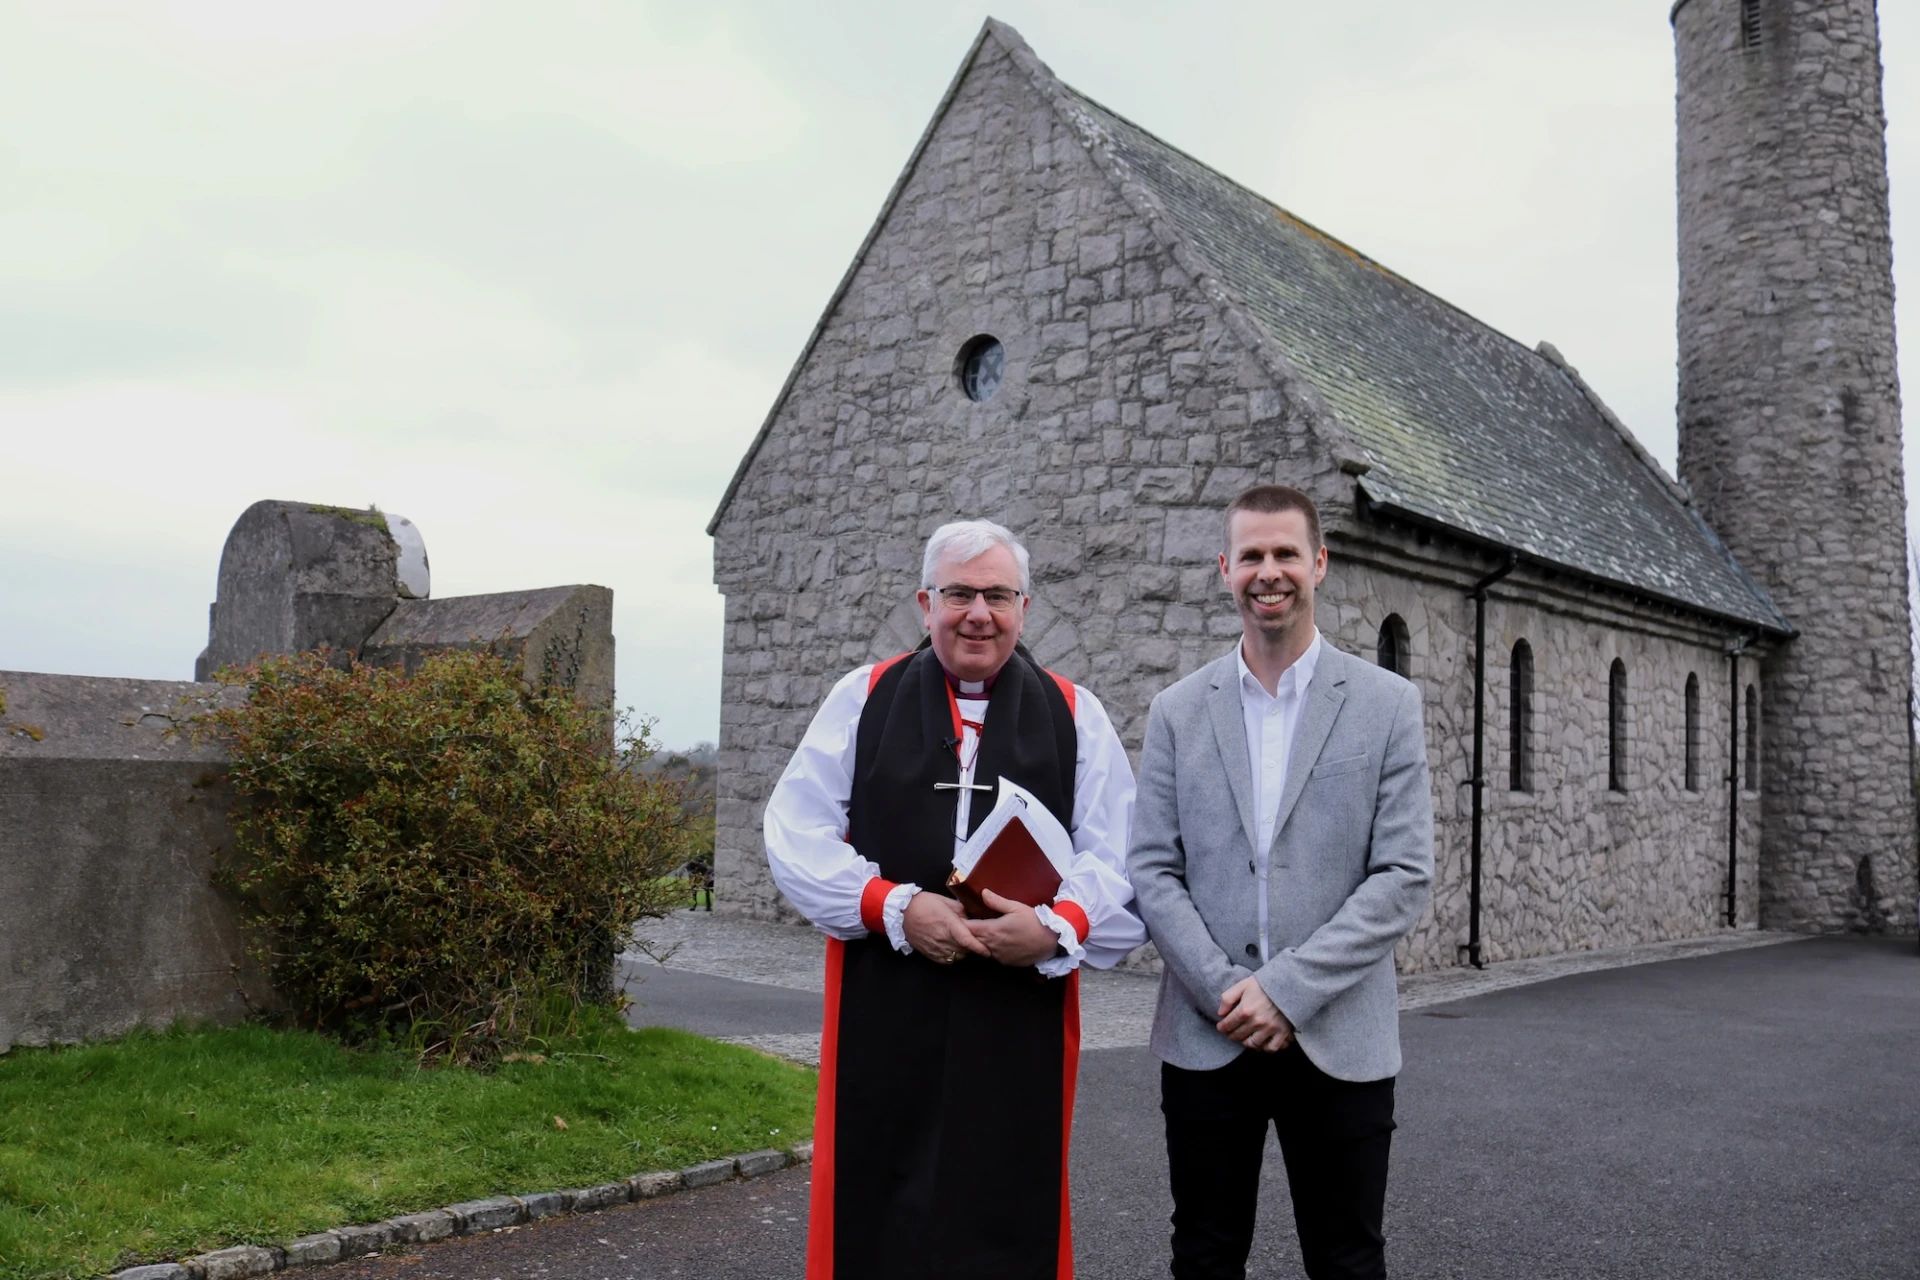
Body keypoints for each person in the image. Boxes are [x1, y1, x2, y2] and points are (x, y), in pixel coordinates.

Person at [764, 518, 1147, 1280]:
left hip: (1017, 1019)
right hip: (887, 1003)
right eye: (960, 594)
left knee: (1005, 1208)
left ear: (1025, 607)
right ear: (924, 601)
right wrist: (890, 905)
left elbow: (1121, 857)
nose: (979, 613)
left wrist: (1055, 925)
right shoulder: (861, 698)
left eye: (998, 595)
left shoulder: (1077, 714)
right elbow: (792, 832)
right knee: (879, 1209)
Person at [1128, 484, 1434, 1280]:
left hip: (1339, 1035)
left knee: (1347, 1259)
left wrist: (1286, 991)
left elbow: (1402, 875)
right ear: (1225, 569)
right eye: (1253, 556)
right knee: (1203, 1254)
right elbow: (1153, 868)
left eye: (1286, 553)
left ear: (1320, 563)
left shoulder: (1387, 705)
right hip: (1208, 1031)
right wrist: (1229, 990)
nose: (1271, 572)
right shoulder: (1176, 711)